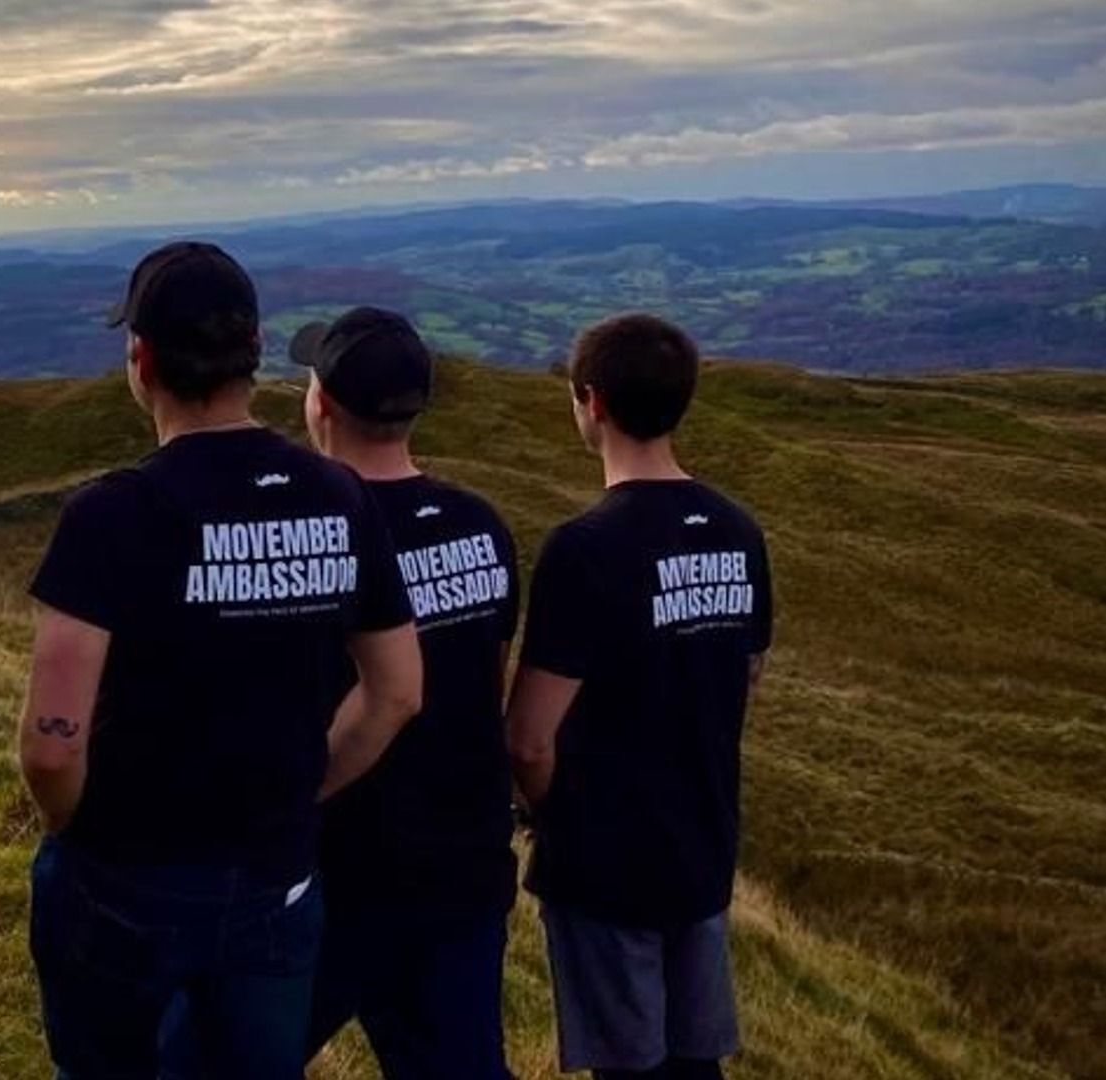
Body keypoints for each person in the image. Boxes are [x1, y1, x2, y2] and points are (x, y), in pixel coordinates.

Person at [19, 242, 423, 1080]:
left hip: (123, 871)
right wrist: (302, 788)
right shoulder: (338, 496)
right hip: (275, 875)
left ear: (142, 359)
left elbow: (51, 744)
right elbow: (397, 693)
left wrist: (76, 828)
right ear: (255, 352)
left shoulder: (113, 512)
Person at [506, 314, 772, 1080]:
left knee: (631, 1068)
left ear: (591, 402)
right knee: (696, 1063)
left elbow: (527, 738)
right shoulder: (737, 530)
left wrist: (559, 815)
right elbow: (745, 675)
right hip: (703, 839)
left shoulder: (585, 547)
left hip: (608, 861)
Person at [293, 307, 521, 1078]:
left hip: (340, 863)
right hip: (462, 863)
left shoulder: (318, 532)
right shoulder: (480, 526)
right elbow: (487, 681)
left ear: (320, 403)